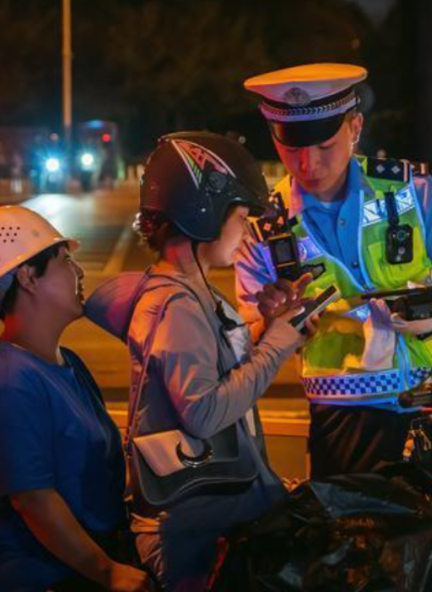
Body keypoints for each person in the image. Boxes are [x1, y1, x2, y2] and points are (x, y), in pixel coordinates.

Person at [86, 132, 313, 592]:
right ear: (203, 215)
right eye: (242, 217)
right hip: (193, 534)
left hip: (209, 522)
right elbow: (203, 410)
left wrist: (270, 326)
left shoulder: (192, 292)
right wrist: (277, 347)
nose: (247, 231)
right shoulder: (175, 304)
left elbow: (212, 364)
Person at [235, 63, 432, 478]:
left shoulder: (411, 189)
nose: (308, 163)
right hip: (342, 422)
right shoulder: (262, 227)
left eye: (324, 146)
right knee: (355, 539)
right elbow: (247, 339)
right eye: (291, 149)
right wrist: (276, 326)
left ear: (356, 127)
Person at [0, 206, 150, 592]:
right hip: (44, 577)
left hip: (81, 567)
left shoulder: (66, 363)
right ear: (27, 276)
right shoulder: (11, 385)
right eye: (64, 259)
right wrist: (107, 572)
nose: (79, 272)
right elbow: (35, 501)